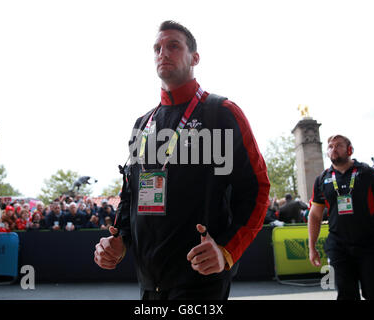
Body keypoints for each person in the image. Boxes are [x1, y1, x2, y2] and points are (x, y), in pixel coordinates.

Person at [94, 20, 270, 300]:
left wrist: (227, 250)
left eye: (173, 46)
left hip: (202, 278)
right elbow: (131, 195)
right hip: (149, 281)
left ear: (195, 58)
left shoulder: (222, 112)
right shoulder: (143, 123)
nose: (163, 52)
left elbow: (257, 189)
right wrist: (119, 242)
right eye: (157, 48)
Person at [308, 134, 374, 300]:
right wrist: (311, 246)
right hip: (339, 247)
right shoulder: (322, 179)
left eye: (338, 145)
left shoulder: (367, 173)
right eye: (330, 147)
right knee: (346, 295)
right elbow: (314, 215)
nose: (333, 149)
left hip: (371, 245)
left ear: (350, 150)